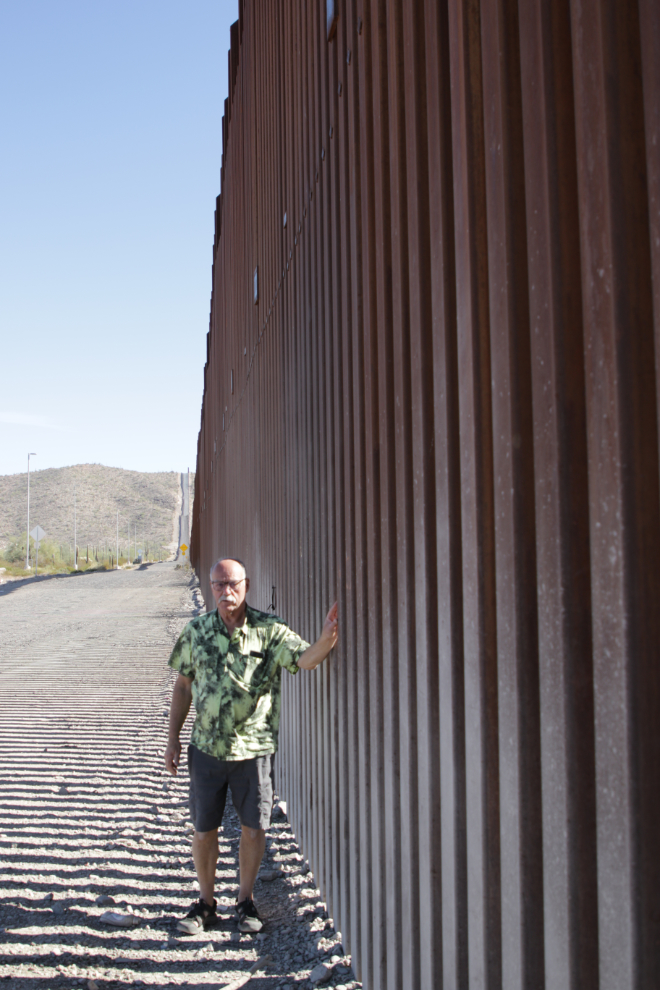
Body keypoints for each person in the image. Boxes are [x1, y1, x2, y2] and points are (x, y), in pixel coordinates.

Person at [164, 556, 338, 935]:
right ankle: (206, 904)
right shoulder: (196, 632)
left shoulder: (270, 630)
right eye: (219, 585)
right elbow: (182, 687)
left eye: (233, 584)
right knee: (203, 828)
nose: (226, 591)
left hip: (253, 752)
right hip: (206, 750)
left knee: (254, 828)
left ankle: (245, 901)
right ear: (211, 587)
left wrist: (326, 639)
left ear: (247, 585)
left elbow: (304, 660)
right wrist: (173, 738)